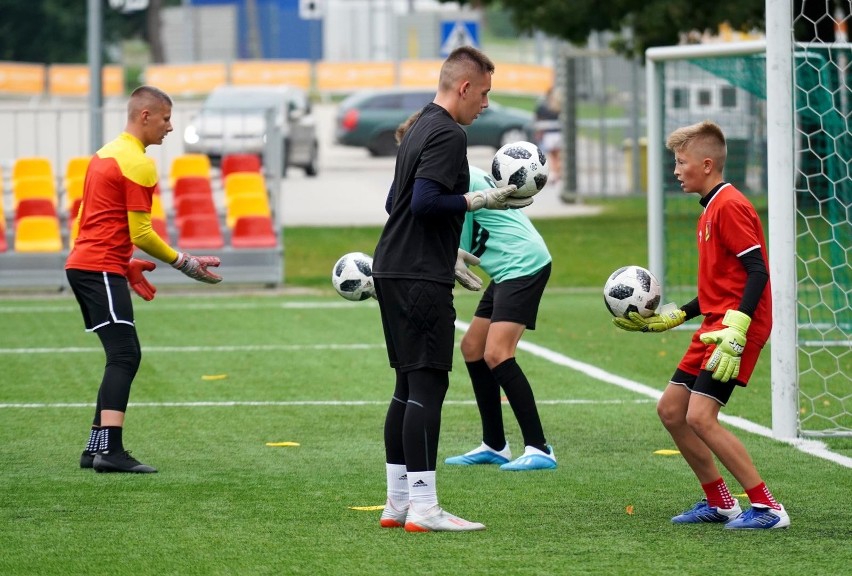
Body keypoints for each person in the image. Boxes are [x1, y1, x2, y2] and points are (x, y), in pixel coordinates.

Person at [373, 46, 531, 533]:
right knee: (427, 385)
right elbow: (422, 203)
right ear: (464, 87)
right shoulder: (446, 131)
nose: (485, 103)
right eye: (483, 93)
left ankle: (398, 502)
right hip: (418, 275)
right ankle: (424, 508)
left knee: (406, 385)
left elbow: (392, 203)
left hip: (396, 266)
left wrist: (450, 251)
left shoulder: (419, 124)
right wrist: (476, 199)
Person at [613, 120, 789, 530]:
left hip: (735, 328)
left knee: (700, 417)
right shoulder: (709, 209)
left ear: (706, 164)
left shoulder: (729, 206)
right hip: (717, 322)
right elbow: (721, 286)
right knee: (672, 410)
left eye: (681, 162)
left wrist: (739, 328)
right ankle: (721, 501)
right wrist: (677, 315)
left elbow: (757, 272)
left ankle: (768, 508)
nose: (675, 170)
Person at [67, 85, 222, 474]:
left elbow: (88, 221)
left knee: (119, 354)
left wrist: (125, 264)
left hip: (89, 265)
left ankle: (95, 447)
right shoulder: (138, 163)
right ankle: (110, 452)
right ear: (145, 116)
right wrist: (184, 263)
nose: (171, 127)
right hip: (98, 267)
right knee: (125, 355)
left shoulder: (104, 154)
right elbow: (141, 233)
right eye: (166, 118)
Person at [444, 164, 556, 471]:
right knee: (473, 347)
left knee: (497, 353)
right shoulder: (461, 169)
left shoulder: (458, 176)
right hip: (508, 267)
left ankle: (539, 448)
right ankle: (495, 445)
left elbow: (458, 247)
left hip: (522, 265)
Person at [534, 87, 562, 184]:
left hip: (550, 134)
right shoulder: (559, 106)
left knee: (553, 156)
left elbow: (539, 119)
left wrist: (539, 132)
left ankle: (555, 174)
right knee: (558, 156)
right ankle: (557, 173)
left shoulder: (545, 106)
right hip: (557, 134)